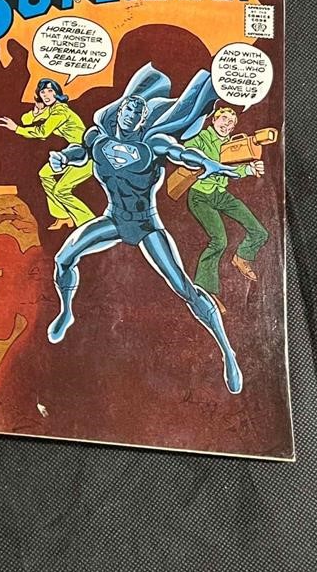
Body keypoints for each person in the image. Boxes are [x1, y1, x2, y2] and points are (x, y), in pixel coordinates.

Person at [45, 65, 245, 394]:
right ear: (119, 112)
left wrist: (207, 163)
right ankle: (66, 312)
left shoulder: (153, 143)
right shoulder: (98, 139)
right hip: (113, 220)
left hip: (146, 225)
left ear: (143, 120)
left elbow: (181, 153)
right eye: (128, 108)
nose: (131, 114)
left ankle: (228, 352)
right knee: (64, 258)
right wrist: (63, 158)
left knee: (184, 287)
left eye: (138, 112)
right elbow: (80, 151)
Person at [182, 104, 269, 308]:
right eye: (224, 119)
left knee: (260, 232)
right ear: (214, 120)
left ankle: (242, 256)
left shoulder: (232, 144)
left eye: (231, 123)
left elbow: (231, 170)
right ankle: (205, 292)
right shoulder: (201, 138)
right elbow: (186, 153)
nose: (227, 125)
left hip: (220, 194)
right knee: (219, 241)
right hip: (200, 196)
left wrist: (250, 169)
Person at [0, 77, 97, 230]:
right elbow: (27, 120)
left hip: (85, 157)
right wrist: (35, 113)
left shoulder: (61, 111)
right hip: (70, 155)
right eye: (42, 92)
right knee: (44, 174)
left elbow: (43, 132)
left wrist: (16, 129)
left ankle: (89, 224)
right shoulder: (52, 110)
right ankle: (63, 216)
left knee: (61, 191)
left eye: (50, 91)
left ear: (57, 93)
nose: (46, 95)